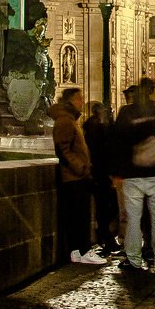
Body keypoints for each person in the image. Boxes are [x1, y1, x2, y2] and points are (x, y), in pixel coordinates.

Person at [114, 76, 155, 273]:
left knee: (133, 219)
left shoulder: (127, 113)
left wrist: (117, 172)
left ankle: (133, 259)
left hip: (132, 174)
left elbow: (118, 142)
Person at [49, 86, 103, 265]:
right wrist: (80, 167)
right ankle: (85, 250)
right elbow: (63, 150)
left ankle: (76, 252)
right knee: (79, 216)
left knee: (76, 216)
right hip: (74, 177)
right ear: (71, 101)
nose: (82, 102)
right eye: (79, 99)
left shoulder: (70, 119)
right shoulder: (65, 120)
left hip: (75, 176)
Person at [83, 101, 120, 253]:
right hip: (101, 173)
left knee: (107, 206)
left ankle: (105, 236)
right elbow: (102, 150)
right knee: (105, 206)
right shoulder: (95, 127)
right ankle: (106, 237)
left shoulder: (97, 126)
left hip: (102, 172)